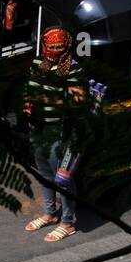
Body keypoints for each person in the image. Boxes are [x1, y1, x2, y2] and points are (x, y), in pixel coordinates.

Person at [23, 26, 86, 243]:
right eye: (50, 49)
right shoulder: (38, 64)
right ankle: (50, 214)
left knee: (63, 180)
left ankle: (67, 222)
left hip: (59, 132)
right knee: (44, 174)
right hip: (37, 129)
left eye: (58, 50)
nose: (53, 53)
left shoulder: (74, 70)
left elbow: (77, 103)